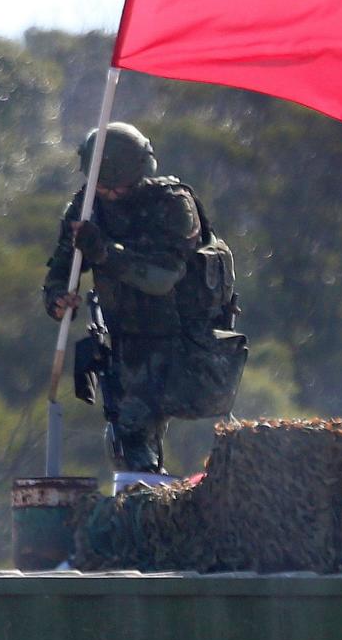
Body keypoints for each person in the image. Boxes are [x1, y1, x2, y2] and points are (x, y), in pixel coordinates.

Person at [43, 121, 221, 474]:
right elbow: (61, 271)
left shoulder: (172, 205)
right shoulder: (85, 208)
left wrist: (105, 253)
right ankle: (146, 496)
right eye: (103, 187)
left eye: (117, 188)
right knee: (129, 438)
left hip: (184, 338)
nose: (109, 195)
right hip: (126, 338)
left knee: (203, 424)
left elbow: (163, 278)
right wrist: (57, 299)